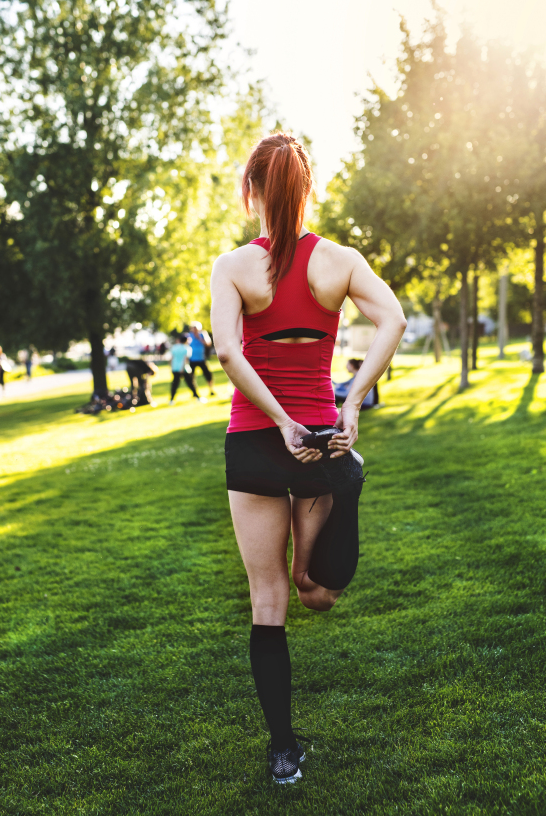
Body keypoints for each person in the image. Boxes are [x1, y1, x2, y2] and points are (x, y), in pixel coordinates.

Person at [211, 133, 406, 784]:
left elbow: (229, 353)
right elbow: (394, 321)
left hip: (260, 439)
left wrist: (279, 422)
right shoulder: (340, 262)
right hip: (323, 436)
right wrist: (348, 405)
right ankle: (348, 486)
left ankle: (283, 749)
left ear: (254, 191)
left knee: (271, 600)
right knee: (317, 594)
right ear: (308, 188)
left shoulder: (234, 267)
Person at [168, 334, 202, 405]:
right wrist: (181, 368)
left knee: (175, 384)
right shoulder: (187, 348)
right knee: (190, 383)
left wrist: (171, 367)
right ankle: (198, 397)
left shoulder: (174, 347)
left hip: (175, 368)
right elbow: (185, 359)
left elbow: (171, 358)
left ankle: (171, 400)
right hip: (184, 369)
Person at [188, 321, 215, 396]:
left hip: (201, 359)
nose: (194, 330)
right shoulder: (189, 335)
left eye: (196, 328)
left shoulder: (203, 334)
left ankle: (211, 390)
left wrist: (199, 338)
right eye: (193, 328)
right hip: (192, 359)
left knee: (208, 375)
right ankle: (195, 393)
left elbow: (208, 344)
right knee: (191, 377)